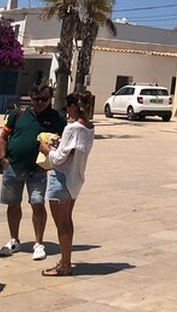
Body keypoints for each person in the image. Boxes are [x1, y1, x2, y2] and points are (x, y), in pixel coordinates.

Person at [0, 85, 65, 261]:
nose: (40, 102)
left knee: (37, 204)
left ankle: (38, 243)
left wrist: (52, 157)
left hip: (38, 170)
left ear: (50, 99)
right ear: (31, 98)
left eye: (44, 99)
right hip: (13, 167)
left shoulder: (56, 117)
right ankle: (14, 240)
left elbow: (64, 141)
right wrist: (2, 158)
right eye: (37, 99)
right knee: (13, 204)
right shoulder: (18, 113)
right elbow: (3, 136)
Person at [38, 92, 95, 277]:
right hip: (75, 179)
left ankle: (65, 265)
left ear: (73, 107)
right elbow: (72, 152)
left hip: (61, 179)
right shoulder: (89, 127)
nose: (67, 111)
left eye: (68, 107)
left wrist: (47, 150)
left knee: (61, 224)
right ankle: (65, 259)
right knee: (67, 221)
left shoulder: (72, 128)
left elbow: (59, 158)